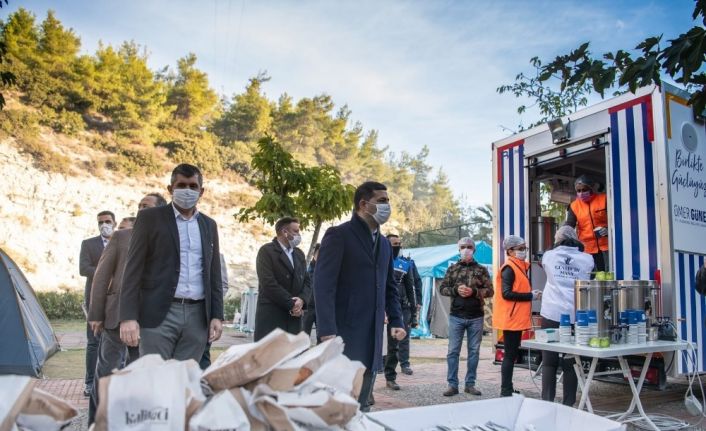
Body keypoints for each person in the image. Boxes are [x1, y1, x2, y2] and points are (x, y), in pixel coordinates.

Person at [314, 181, 406, 412]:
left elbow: (389, 286)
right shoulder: (339, 235)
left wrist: (396, 320)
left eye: (388, 200)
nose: (387, 206)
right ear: (364, 204)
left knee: (362, 403)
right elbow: (323, 286)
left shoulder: (384, 244)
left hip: (372, 334)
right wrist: (327, 330)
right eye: (382, 201)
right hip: (343, 333)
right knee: (335, 404)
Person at [119, 164, 224, 361]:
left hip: (198, 317)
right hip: (158, 315)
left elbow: (214, 272)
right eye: (181, 185)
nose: (187, 190)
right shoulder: (150, 218)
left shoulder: (209, 225)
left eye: (193, 186)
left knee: (185, 377)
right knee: (155, 376)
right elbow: (132, 270)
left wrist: (217, 315)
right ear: (170, 189)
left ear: (201, 191)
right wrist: (128, 317)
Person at [86, 193, 166, 425]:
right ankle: (95, 424)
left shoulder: (166, 240)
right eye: (139, 205)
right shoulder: (121, 237)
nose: (141, 209)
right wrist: (96, 313)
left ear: (160, 211)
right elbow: (101, 276)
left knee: (139, 377)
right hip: (115, 316)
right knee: (106, 375)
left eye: (146, 206)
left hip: (149, 320)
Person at [539, 225, 593, 406]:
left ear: (558, 239)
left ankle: (547, 402)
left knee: (549, 361)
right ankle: (568, 404)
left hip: (551, 313)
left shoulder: (549, 256)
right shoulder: (587, 259)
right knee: (571, 361)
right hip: (574, 315)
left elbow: (547, 259)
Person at [439, 237, 493, 397]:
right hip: (456, 316)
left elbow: (490, 291)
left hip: (476, 316)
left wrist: (474, 292)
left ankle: (470, 384)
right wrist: (456, 290)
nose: (466, 249)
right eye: (463, 247)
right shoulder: (452, 269)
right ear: (459, 249)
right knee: (453, 351)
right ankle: (452, 385)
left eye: (469, 247)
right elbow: (442, 288)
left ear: (474, 250)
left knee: (474, 352)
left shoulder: (481, 269)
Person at [492, 235, 541, 397]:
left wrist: (530, 295)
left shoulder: (518, 267)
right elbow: (506, 294)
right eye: (520, 248)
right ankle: (505, 390)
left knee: (511, 354)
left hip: (515, 318)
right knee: (510, 355)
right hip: (511, 319)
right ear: (510, 251)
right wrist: (530, 296)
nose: (524, 251)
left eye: (524, 248)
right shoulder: (509, 268)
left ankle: (508, 388)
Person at [254, 217, 311, 341]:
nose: (299, 235)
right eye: (295, 231)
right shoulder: (266, 251)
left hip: (294, 320)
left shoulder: (299, 254)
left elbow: (307, 281)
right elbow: (268, 283)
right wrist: (292, 304)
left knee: (293, 352)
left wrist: (302, 300)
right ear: (285, 232)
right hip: (272, 317)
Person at [79, 210, 115, 397]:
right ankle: (90, 383)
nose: (104, 225)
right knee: (94, 342)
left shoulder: (122, 241)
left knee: (115, 342)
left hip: (116, 300)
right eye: (100, 222)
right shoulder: (88, 244)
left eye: (107, 221)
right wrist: (106, 274)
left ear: (114, 222)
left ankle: (111, 382)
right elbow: (84, 268)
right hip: (94, 300)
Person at [383, 234, 417, 390]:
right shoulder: (378, 261)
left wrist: (414, 312)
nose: (397, 247)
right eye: (394, 244)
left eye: (399, 244)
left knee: (395, 343)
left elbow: (410, 288)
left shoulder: (405, 264)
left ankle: (391, 377)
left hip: (399, 308)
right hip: (379, 307)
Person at [565, 174, 609, 271]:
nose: (581, 193)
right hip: (587, 248)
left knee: (607, 273)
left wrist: (608, 229)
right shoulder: (574, 206)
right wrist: (562, 236)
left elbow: (616, 220)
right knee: (590, 275)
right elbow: (569, 225)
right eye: (578, 191)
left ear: (591, 188)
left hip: (606, 247)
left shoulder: (604, 199)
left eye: (584, 190)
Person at [200, 253, 229, 369]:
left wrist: (212, 303)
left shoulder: (217, 255)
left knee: (203, 355)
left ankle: (203, 379)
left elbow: (223, 285)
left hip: (205, 314)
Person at [302, 243, 320, 338]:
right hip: (307, 308)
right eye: (318, 253)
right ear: (314, 254)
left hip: (320, 308)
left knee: (321, 338)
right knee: (304, 336)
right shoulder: (307, 270)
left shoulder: (326, 270)